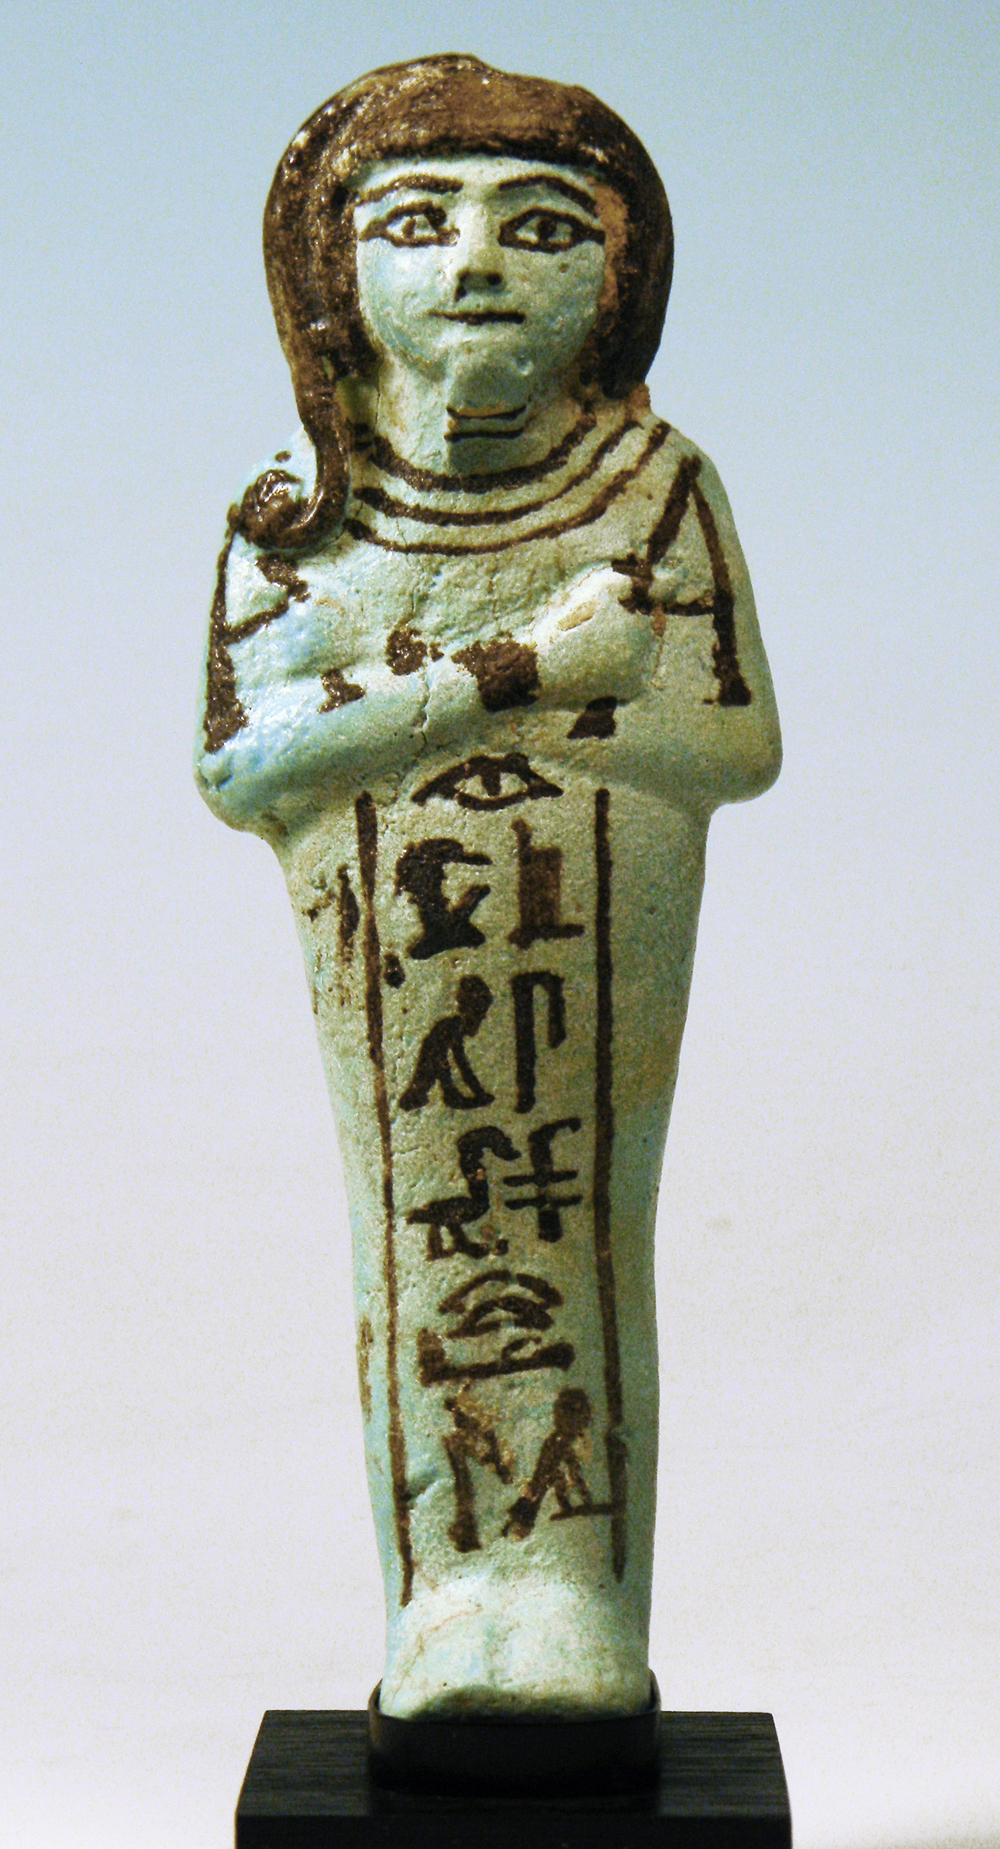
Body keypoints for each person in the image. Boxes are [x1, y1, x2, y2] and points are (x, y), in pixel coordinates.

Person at [196, 54, 781, 1719]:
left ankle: (572, 1597)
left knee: (581, 1232)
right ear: (330, 279)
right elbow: (245, 767)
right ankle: (450, 1600)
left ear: (618, 278)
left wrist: (422, 706)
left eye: (540, 227)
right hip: (401, 937)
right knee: (420, 1233)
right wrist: (516, 672)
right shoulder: (297, 518)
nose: (474, 268)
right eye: (415, 224)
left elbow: (732, 741)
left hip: (587, 925)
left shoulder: (655, 491)